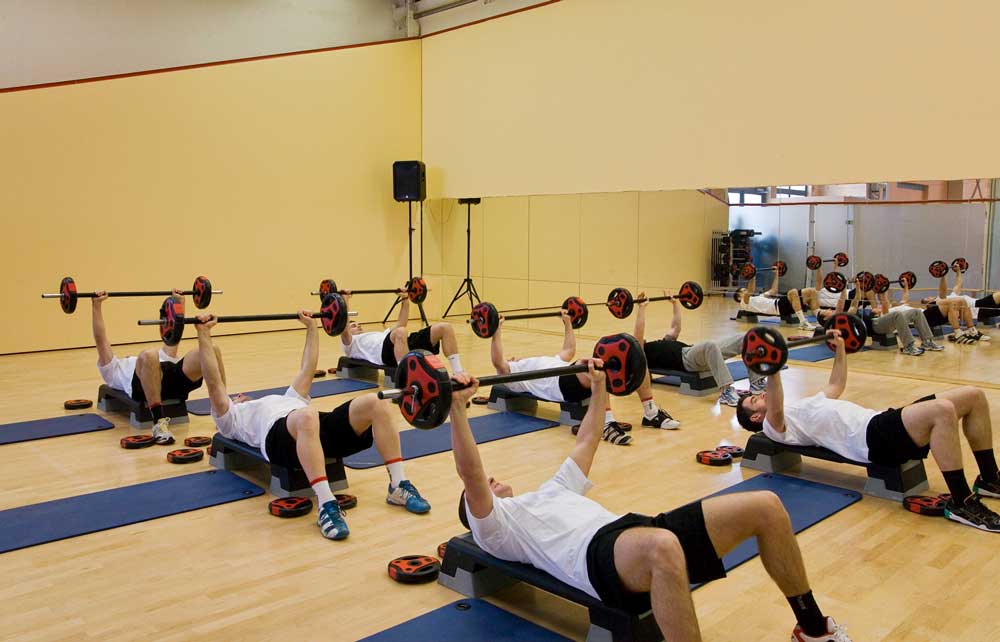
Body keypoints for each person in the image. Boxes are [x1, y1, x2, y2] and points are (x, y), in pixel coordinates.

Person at [451, 364, 854, 642]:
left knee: (766, 506)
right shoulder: (496, 531)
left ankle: (812, 626)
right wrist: (456, 408)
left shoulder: (551, 491)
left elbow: (588, 439)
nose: (490, 483)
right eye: (480, 492)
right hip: (597, 559)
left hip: (635, 531)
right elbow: (471, 475)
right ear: (473, 514)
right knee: (662, 547)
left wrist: (600, 387)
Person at [194, 311, 430, 541]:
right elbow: (214, 384)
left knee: (376, 403)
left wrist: (311, 326)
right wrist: (203, 334)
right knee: (306, 416)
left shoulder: (287, 397)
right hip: (280, 438)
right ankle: (326, 503)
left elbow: (308, 367)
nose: (240, 396)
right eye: (234, 396)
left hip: (312, 428)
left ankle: (398, 485)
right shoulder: (229, 417)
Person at [736, 331, 1000, 533]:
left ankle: (989, 479)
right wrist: (772, 371)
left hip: (880, 420)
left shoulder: (801, 406)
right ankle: (961, 502)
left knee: (973, 396)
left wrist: (840, 348)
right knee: (942, 410)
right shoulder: (773, 427)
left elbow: (836, 384)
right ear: (757, 417)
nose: (757, 396)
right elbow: (777, 409)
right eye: (753, 401)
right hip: (869, 440)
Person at [490, 311, 679, 446]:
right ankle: (606, 423)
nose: (513, 357)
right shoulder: (512, 374)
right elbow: (498, 362)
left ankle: (651, 412)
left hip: (568, 374)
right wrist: (496, 331)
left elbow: (568, 351)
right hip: (559, 386)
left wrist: (568, 323)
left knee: (638, 364)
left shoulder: (543, 361)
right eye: (508, 359)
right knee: (596, 368)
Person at [92, 290, 208, 445]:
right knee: (150, 354)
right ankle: (159, 424)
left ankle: (225, 411)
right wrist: (96, 305)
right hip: (143, 386)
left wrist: (179, 302)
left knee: (208, 351)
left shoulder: (161, 357)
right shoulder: (113, 369)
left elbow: (174, 335)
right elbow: (101, 339)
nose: (128, 356)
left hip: (170, 379)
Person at [633, 291, 766, 407]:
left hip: (695, 352)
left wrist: (674, 303)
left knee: (746, 338)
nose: (640, 339)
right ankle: (726, 391)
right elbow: (638, 333)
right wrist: (642, 308)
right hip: (688, 360)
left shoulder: (660, 343)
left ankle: (756, 383)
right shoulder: (641, 354)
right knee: (709, 346)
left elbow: (675, 327)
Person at [339, 289, 465, 372]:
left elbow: (402, 323)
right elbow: (344, 326)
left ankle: (458, 373)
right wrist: (345, 300)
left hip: (401, 343)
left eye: (359, 324)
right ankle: (406, 376)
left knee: (444, 327)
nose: (359, 326)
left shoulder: (378, 335)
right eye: (354, 326)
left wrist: (405, 299)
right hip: (385, 354)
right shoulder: (350, 343)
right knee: (400, 331)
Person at [815, 284, 945, 356]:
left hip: (881, 320)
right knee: (897, 314)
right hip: (875, 326)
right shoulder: (840, 319)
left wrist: (857, 287)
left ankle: (927, 341)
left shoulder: (843, 315)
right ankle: (908, 346)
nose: (828, 309)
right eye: (825, 311)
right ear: (825, 318)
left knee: (916, 312)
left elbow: (854, 301)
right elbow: (846, 303)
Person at [736, 265, 820, 330]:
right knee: (793, 292)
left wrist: (776, 274)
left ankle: (820, 319)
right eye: (743, 291)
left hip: (780, 303)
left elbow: (774, 290)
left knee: (812, 291)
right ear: (739, 297)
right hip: (779, 308)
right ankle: (803, 323)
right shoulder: (744, 303)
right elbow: (751, 290)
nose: (745, 291)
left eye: (745, 289)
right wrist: (753, 277)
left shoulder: (759, 297)